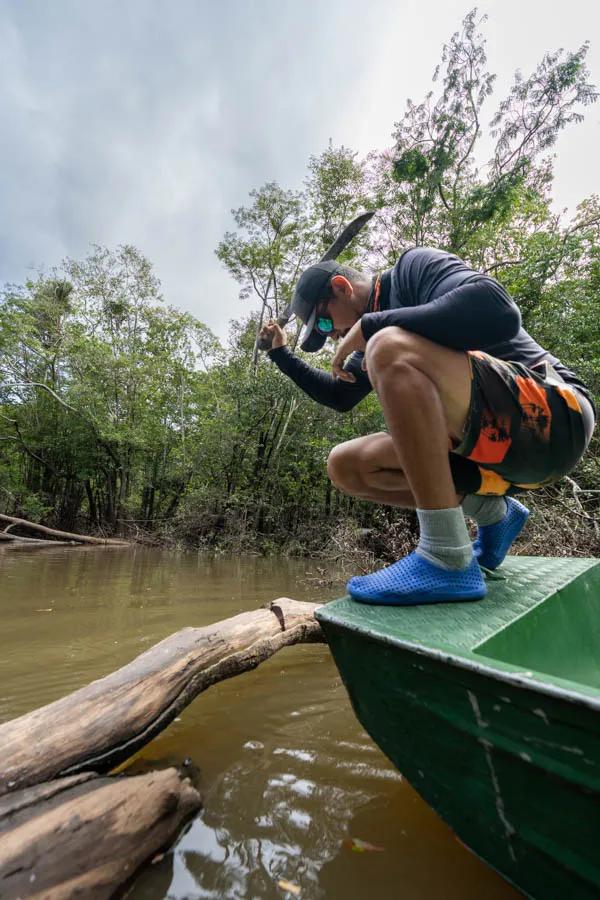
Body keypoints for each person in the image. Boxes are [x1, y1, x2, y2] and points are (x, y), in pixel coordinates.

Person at [259, 247, 596, 606]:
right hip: (498, 460)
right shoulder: (373, 341)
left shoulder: (413, 269)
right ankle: (496, 514)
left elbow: (498, 312)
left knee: (386, 344)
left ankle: (446, 556)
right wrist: (281, 354)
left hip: (555, 418)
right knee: (346, 466)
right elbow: (339, 397)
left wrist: (374, 325)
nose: (332, 335)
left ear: (342, 287)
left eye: (325, 323)